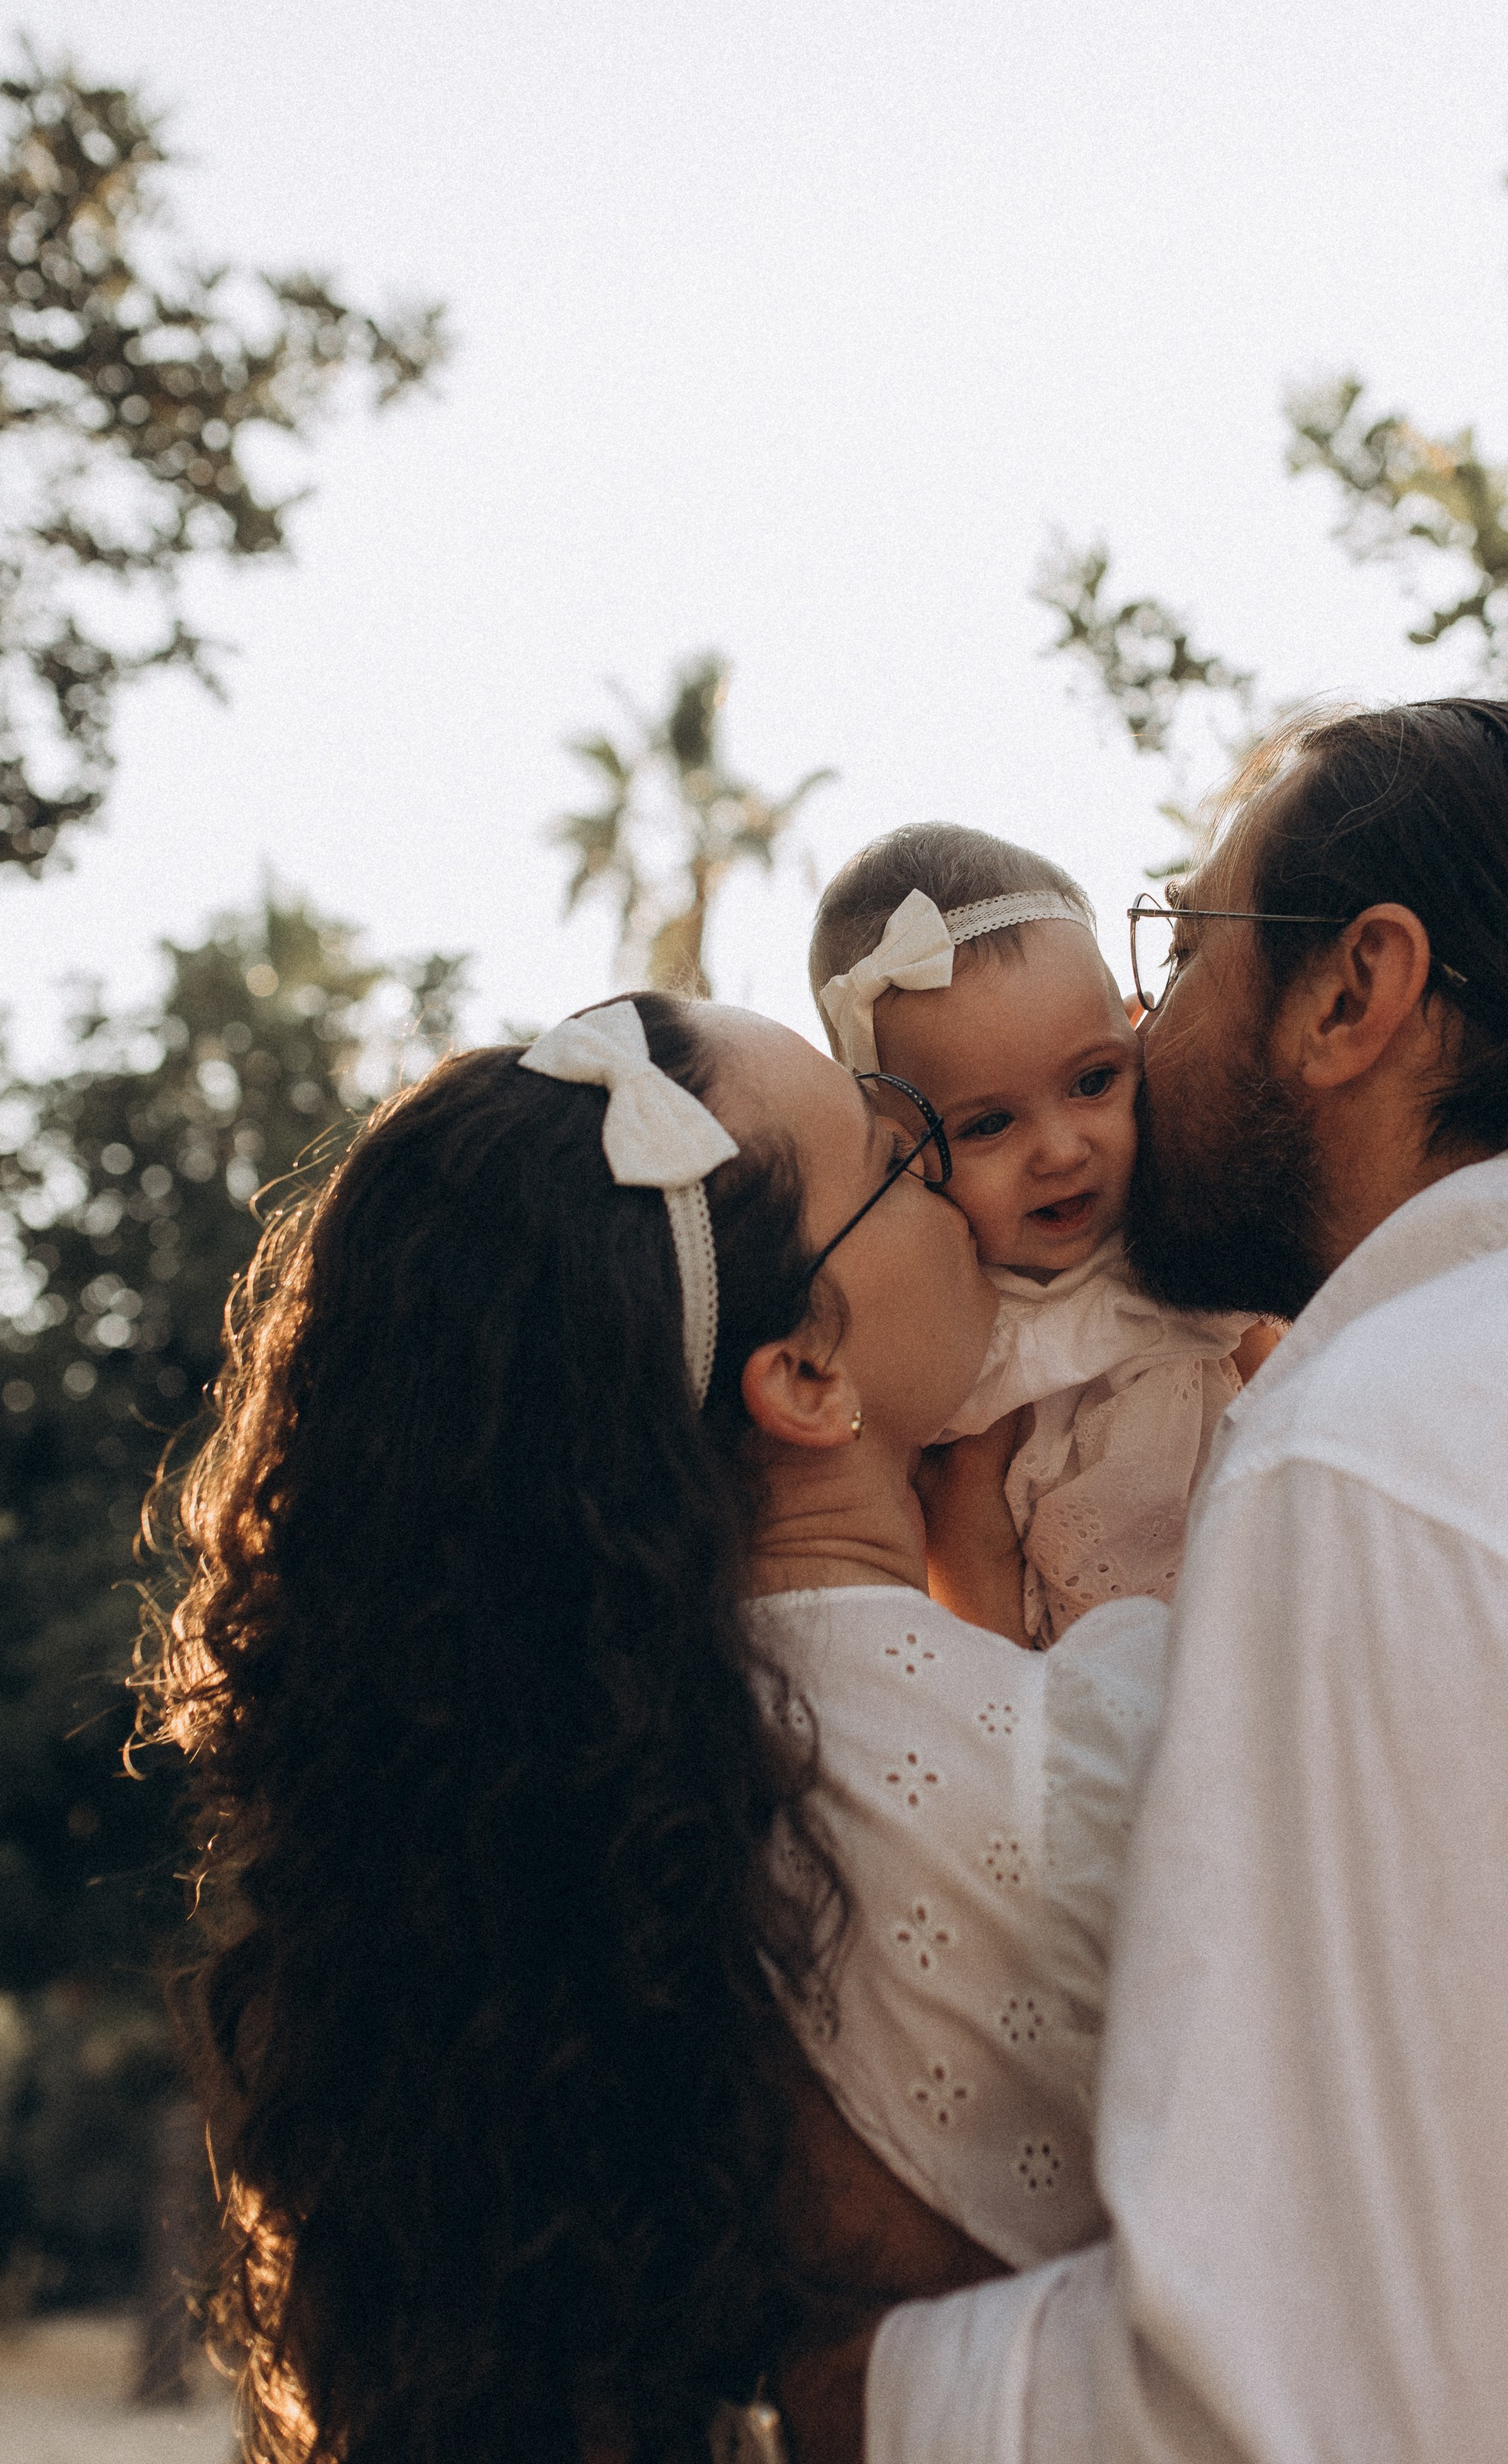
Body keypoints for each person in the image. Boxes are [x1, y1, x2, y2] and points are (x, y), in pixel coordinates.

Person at [782, 699, 1508, 2464]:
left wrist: (844, 2394)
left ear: (1354, 990)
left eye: (1180, 939)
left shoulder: (1389, 1450)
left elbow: (1312, 2406)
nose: (1144, 1025)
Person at [140, 990, 1172, 2462]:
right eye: (900, 1157)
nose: (961, 1183)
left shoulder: (538, 1841)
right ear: (806, 1377)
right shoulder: (1089, 1745)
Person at [811, 825, 1274, 1643]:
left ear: (1136, 1034)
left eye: (1093, 1082)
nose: (1062, 1151)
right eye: (988, 1124)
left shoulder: (1182, 1242)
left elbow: (1283, 1391)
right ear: (899, 1149)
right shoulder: (945, 1351)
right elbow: (952, 1588)